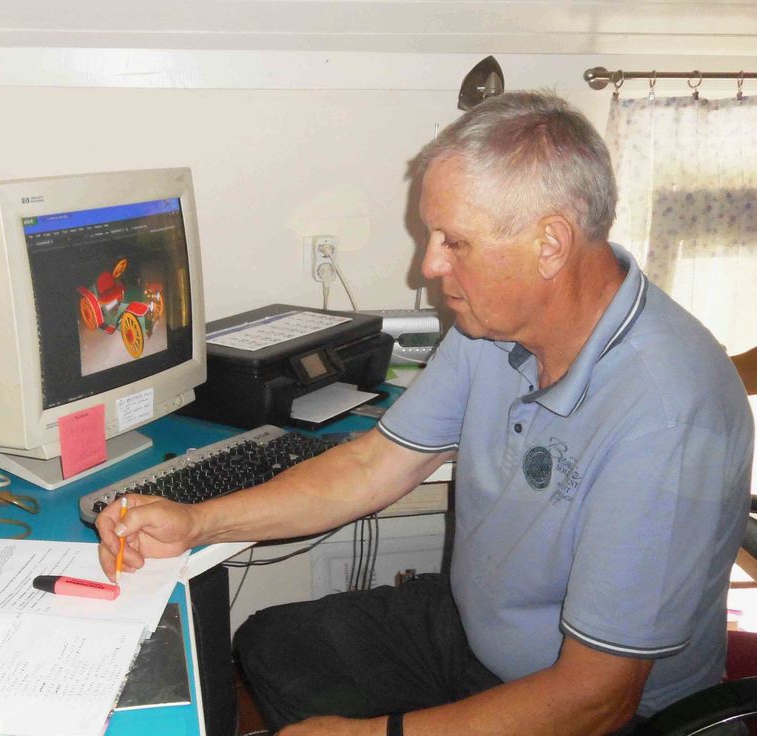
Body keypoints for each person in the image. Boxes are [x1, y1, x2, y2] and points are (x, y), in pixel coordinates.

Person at [96, 91, 755, 736]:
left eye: (454, 241)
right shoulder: (492, 327)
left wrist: (372, 735)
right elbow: (373, 466)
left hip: (606, 711)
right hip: (474, 633)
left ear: (551, 243)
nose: (429, 265)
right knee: (274, 642)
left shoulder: (668, 416)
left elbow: (595, 701)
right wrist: (198, 522)